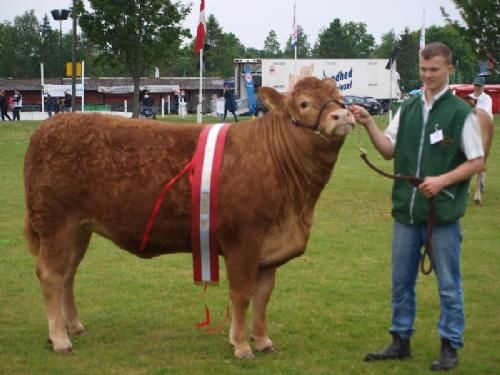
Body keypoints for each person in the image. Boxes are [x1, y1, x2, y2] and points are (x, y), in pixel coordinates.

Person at [351, 42, 484, 372]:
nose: (427, 76)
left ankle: (450, 344)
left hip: (443, 215)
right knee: (401, 282)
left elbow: (477, 161)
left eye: (434, 70)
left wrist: (443, 180)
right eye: (423, 70)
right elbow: (387, 151)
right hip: (407, 214)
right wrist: (369, 124)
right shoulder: (408, 108)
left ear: (449, 70)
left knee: (449, 285)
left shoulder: (460, 113)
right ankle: (400, 340)